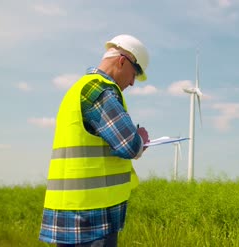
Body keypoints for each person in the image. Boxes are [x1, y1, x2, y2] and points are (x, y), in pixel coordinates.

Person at [39, 34, 151, 246]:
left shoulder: (78, 89)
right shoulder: (99, 89)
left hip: (72, 214)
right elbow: (130, 145)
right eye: (134, 73)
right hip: (91, 221)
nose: (133, 82)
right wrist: (141, 138)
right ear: (122, 61)